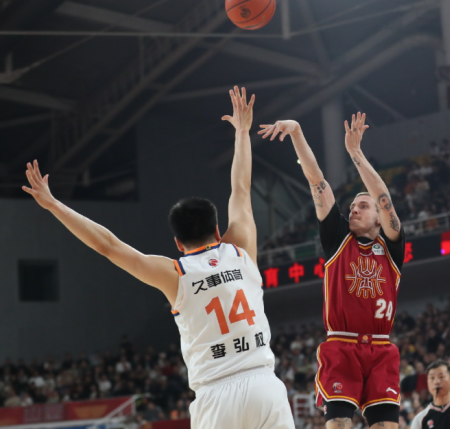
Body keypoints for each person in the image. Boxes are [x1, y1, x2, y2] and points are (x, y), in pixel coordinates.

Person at [20, 87, 294, 428]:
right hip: (265, 385)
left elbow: (108, 245)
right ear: (217, 230)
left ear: (177, 242)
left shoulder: (176, 274)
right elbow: (241, 188)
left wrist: (54, 205)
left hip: (216, 395)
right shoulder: (241, 250)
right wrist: (242, 132)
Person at [264, 113, 405, 429]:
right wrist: (297, 132)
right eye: (352, 206)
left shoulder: (392, 247)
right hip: (341, 345)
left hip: (381, 348)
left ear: (379, 217)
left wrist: (355, 153)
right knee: (339, 424)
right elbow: (317, 180)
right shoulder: (337, 237)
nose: (354, 209)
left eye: (363, 206)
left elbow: (383, 197)